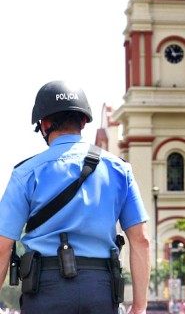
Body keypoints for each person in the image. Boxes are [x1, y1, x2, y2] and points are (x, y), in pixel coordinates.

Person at [0, 81, 151, 314]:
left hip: (44, 291)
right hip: (101, 291)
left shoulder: (25, 174)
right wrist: (139, 307)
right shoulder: (120, 170)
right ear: (83, 121)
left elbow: (3, 246)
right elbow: (140, 240)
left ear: (44, 124)